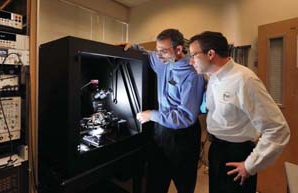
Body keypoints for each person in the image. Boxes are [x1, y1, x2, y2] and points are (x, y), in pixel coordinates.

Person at [188, 31, 290, 193]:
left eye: (193, 55)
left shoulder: (245, 80)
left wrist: (250, 165)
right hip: (216, 150)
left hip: (236, 154)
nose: (191, 61)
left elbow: (278, 129)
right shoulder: (212, 77)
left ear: (211, 54)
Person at [124, 29, 205, 193]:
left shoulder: (192, 75)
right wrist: (131, 46)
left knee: (184, 183)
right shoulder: (161, 60)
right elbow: (148, 54)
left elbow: (186, 117)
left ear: (179, 49)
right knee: (155, 181)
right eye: (157, 49)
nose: (158, 55)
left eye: (163, 51)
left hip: (183, 137)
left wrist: (151, 115)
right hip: (161, 131)